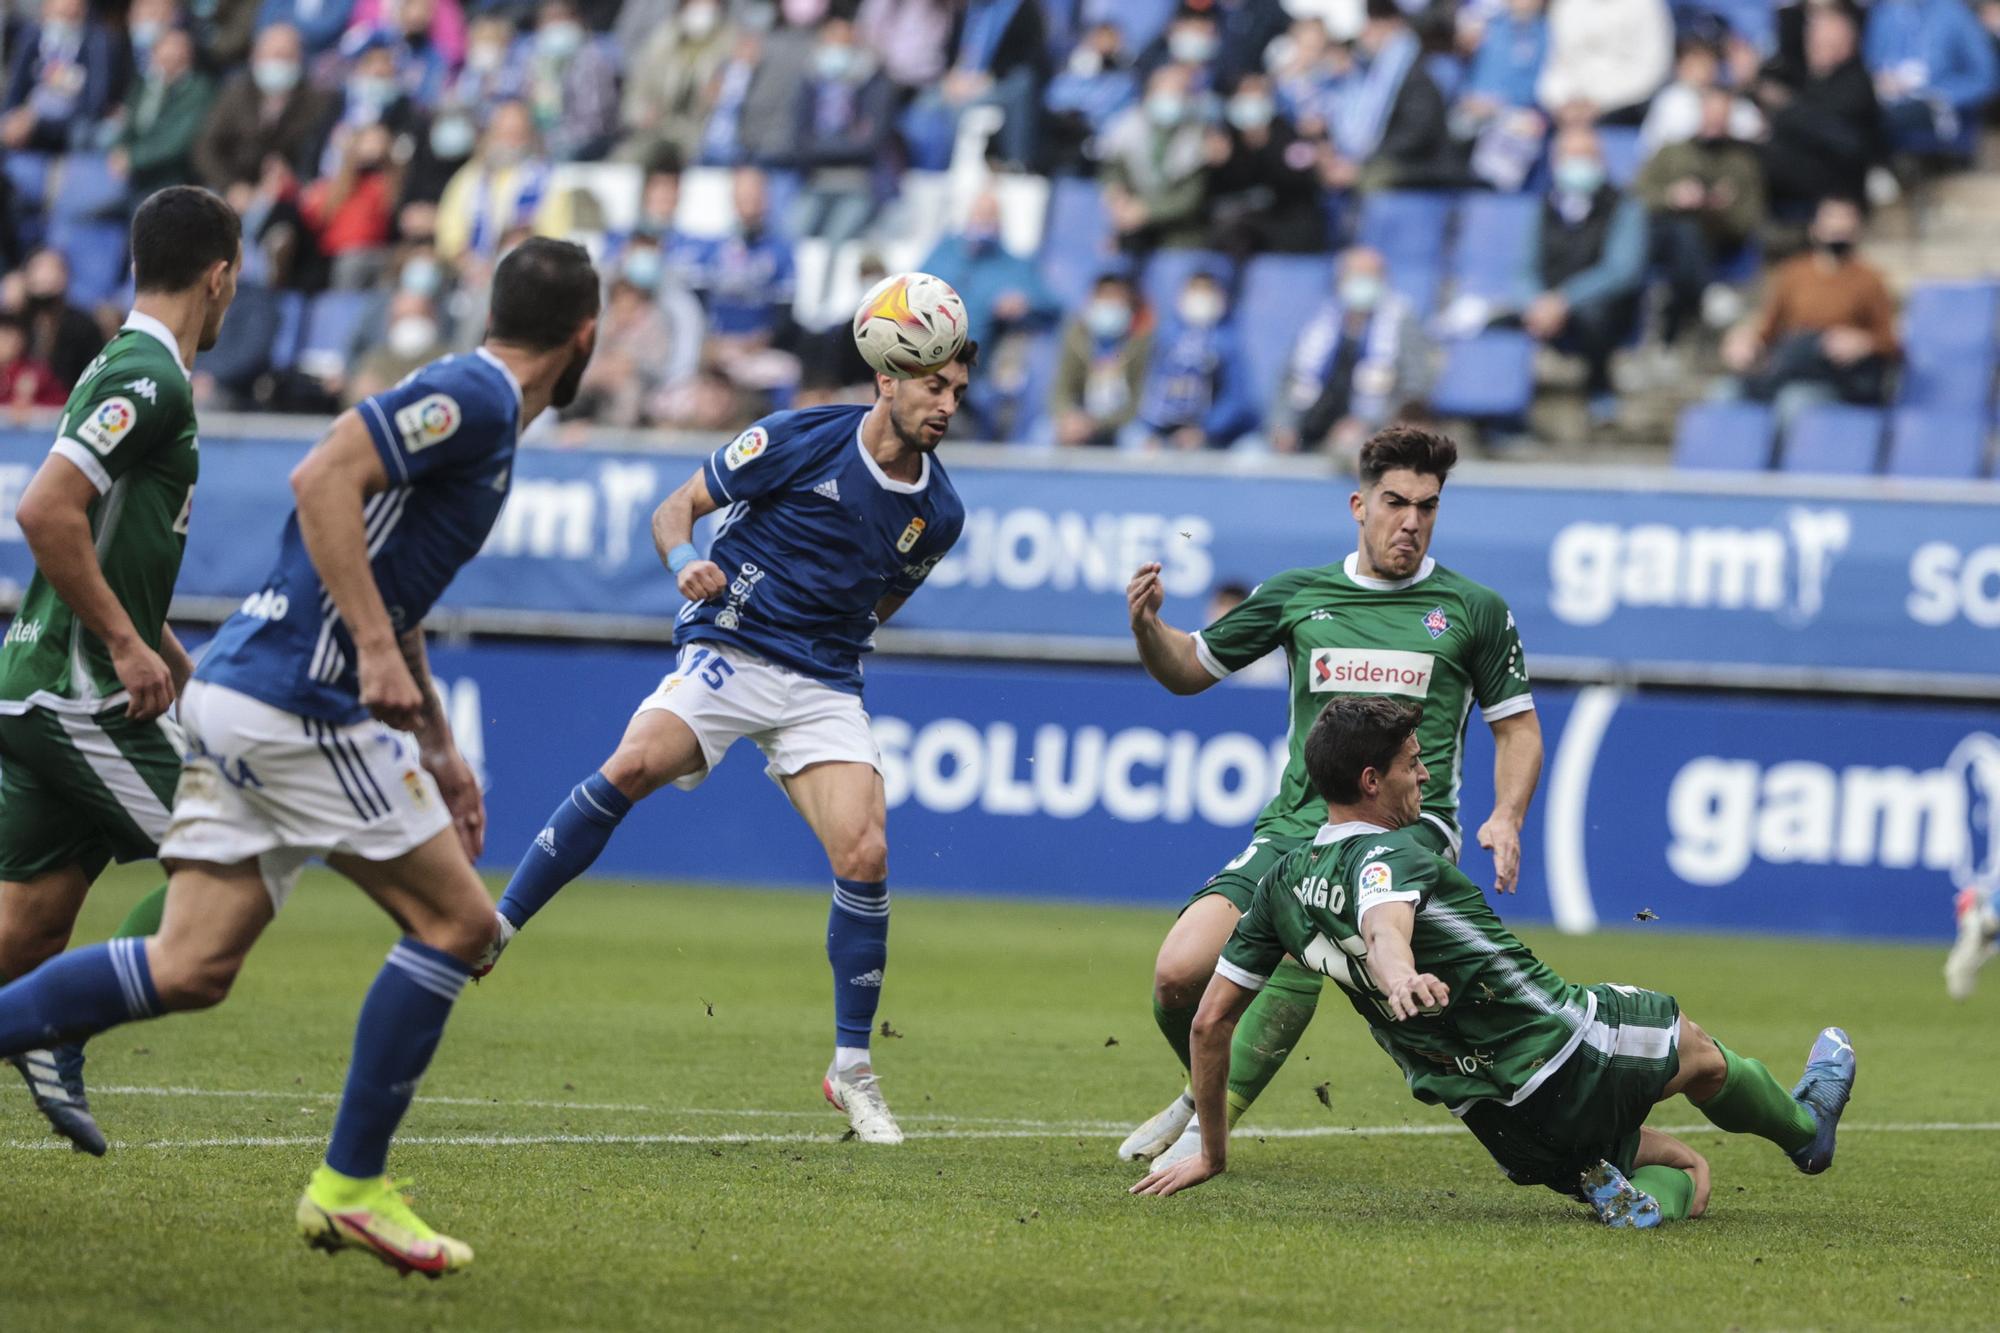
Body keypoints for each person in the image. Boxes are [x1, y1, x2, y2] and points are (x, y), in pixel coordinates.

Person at [0, 237, 600, 1275]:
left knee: (190, 966)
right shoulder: (482, 397)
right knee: (460, 923)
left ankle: (335, 1177)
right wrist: (369, 650)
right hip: (298, 703)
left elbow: (373, 556)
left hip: (245, 688)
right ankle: (349, 1185)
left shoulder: (471, 404)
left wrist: (442, 749)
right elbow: (322, 474)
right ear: (582, 339)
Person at [479, 330, 979, 1147]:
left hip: (821, 682)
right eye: (936, 387)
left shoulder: (941, 511)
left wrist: (833, 635)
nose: (949, 406)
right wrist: (683, 559)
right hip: (732, 649)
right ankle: (496, 928)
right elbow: (675, 508)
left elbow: (883, 599)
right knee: (635, 762)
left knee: (866, 851)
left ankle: (852, 1066)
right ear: (889, 379)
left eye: (958, 391)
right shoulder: (797, 435)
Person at [1132, 695, 1858, 1230]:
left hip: (1495, 1120)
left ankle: (1630, 1198)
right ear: (1369, 780)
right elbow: (1386, 927)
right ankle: (1807, 1131)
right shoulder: (1390, 852)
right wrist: (1399, 975)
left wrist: (1212, 1152)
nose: (1424, 777)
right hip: (1563, 1049)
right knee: (1698, 1052)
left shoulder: (1280, 884)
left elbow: (1208, 1023)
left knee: (1687, 1168)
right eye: (1413, 765)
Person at [1118, 425, 1542, 1171]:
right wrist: (1149, 627)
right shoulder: (1299, 595)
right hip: (1295, 825)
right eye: (1395, 502)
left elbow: (1519, 729)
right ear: (1359, 504)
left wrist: (1507, 815)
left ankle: (1203, 1134)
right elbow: (1188, 669)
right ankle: (1202, 1094)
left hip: (1402, 834)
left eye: (1428, 506)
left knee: (1297, 931)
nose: (1411, 520)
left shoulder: (1473, 610)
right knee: (1177, 973)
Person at [0, 186, 241, 1156]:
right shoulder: (153, 379)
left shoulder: (125, 363)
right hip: (79, 694)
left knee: (28, 925)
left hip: (52, 681)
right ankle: (62, 1028)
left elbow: (98, 539)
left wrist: (165, 646)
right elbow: (45, 512)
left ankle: (48, 1014)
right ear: (219, 276)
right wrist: (130, 645)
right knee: (231, 855)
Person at [1517, 123, 1647, 426]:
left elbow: (1621, 270)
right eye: (1570, 156)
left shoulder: (1624, 207)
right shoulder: (1543, 208)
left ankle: (1600, 391)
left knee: (1595, 318)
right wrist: (1536, 303)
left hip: (1598, 308)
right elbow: (1523, 269)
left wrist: (1563, 301)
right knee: (1495, 327)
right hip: (1545, 307)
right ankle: (1499, 418)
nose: (1578, 164)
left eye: (1586, 156)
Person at [1721, 195, 1896, 418]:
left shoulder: (1870, 280)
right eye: (1832, 224)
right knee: (1725, 393)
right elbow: (1768, 329)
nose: (1839, 231)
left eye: (1845, 226)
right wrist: (1746, 341)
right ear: (1815, 230)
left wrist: (1864, 342)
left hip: (1831, 376)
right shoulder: (1793, 273)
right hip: (1790, 362)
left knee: (1794, 402)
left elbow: (1890, 341)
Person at [1269, 247, 1430, 455]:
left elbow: (1414, 391)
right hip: (1308, 428)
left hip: (1369, 435)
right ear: (1340, 280)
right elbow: (1287, 379)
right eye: (1355, 275)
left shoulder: (1401, 324)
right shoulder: (1318, 324)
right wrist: (1282, 427)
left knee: (1349, 450)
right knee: (1249, 455)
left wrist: (1369, 425)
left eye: (1370, 276)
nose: (1362, 282)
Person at [1637, 86, 1765, 347]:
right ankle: (1706, 293)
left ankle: (1675, 325)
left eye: (1722, 114)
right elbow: (1637, 195)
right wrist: (1671, 197)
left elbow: (1750, 219)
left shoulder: (1743, 161)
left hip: (1714, 239)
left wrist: (1716, 208)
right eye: (1710, 113)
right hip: (1660, 234)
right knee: (1680, 226)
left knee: (1687, 229)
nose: (1715, 121)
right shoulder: (1671, 151)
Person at [1754, 3, 1880, 224]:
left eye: (1824, 45)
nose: (1814, 49)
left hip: (1837, 184)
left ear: (1845, 45)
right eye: (1812, 43)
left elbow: (1844, 141)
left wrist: (1787, 108)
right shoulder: (1811, 81)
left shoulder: (1856, 84)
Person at [191, 23, 337, 197]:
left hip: (283, 196)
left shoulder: (317, 102)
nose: (278, 62)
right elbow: (206, 147)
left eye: (286, 56)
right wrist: (231, 186)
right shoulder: (235, 93)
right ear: (255, 57)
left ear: (300, 58)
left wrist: (290, 179)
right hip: (229, 186)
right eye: (273, 55)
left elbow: (314, 158)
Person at [1121, 269, 1258, 450]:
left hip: (1213, 435)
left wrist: (1205, 430)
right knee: (1134, 439)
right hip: (1163, 430)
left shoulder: (1228, 341)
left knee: (1252, 453)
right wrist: (1151, 427)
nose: (1200, 297)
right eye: (1195, 290)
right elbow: (1147, 388)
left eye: (1207, 291)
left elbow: (1235, 400)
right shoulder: (1163, 338)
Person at [1865, 0, 2000, 154]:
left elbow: (1986, 78)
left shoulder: (1953, 12)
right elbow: (1871, 66)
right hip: (1886, 108)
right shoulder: (1884, 12)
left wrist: (1938, 96)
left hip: (1939, 117)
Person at [109, 25, 216, 199]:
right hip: (134, 172)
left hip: (172, 176)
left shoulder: (198, 90)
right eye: (164, 47)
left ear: (188, 54)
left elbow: (176, 141)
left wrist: (132, 158)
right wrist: (119, 150)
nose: (169, 53)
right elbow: (128, 122)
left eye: (177, 47)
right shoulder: (144, 83)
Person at [0, 0, 120, 154]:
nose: (64, 20)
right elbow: (15, 89)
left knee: (87, 134)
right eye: (59, 13)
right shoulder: (32, 36)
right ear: (46, 10)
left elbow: (93, 104)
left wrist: (39, 124)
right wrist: (12, 117)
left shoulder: (97, 42)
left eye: (72, 14)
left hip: (67, 126)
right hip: (26, 119)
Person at [1051, 272, 1154, 447]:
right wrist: (1068, 417)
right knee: (1041, 435)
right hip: (1078, 418)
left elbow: (1140, 400)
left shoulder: (1141, 343)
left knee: (1141, 443)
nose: (1109, 305)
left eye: (1116, 299)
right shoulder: (1076, 337)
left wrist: (1097, 424)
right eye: (1104, 297)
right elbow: (1060, 389)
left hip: (1122, 422)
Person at [1534, 0, 1672, 122]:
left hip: (1628, 106)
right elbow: (1556, 65)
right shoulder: (1566, 5)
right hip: (1572, 106)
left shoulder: (1646, 5)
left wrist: (1600, 102)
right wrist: (1561, 102)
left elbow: (1653, 70)